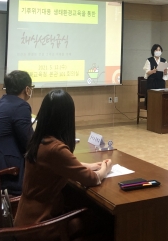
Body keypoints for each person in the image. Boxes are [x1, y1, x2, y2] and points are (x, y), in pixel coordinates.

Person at [14, 89, 112, 240]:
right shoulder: (56, 149)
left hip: (25, 218)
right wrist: (106, 167)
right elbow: (93, 179)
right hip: (40, 225)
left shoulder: (39, 140)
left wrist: (88, 165)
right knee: (103, 221)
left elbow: (57, 166)